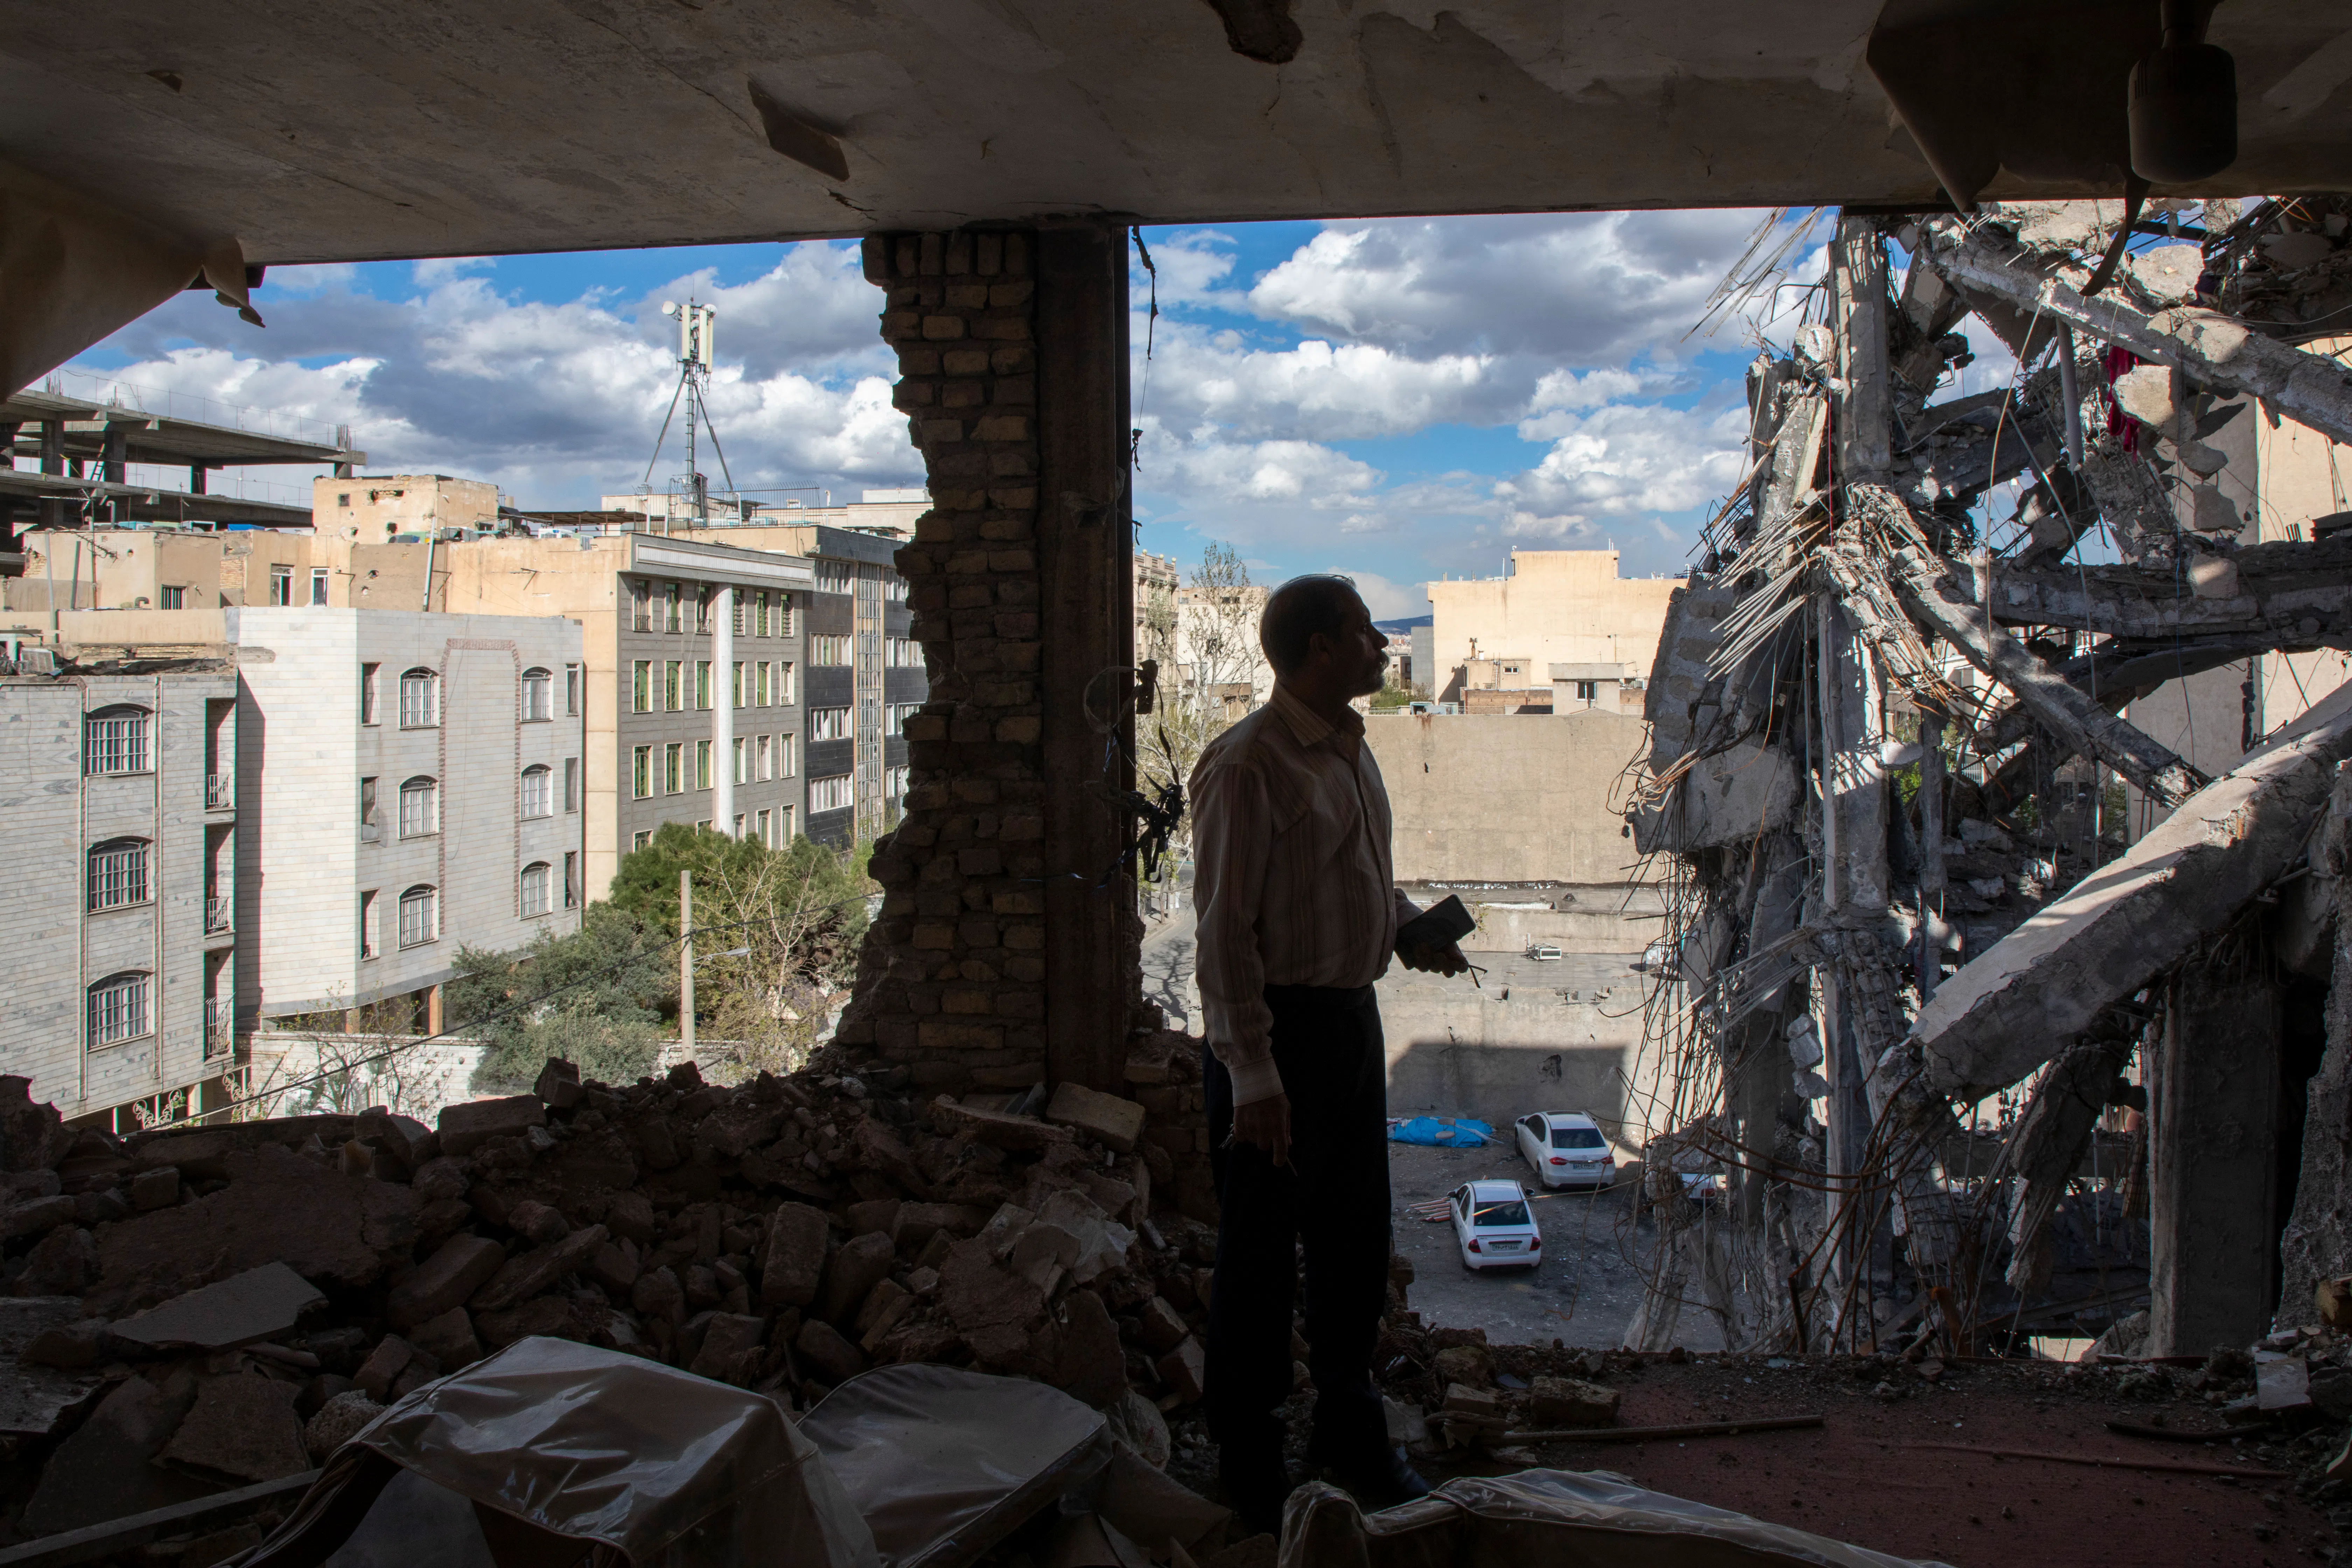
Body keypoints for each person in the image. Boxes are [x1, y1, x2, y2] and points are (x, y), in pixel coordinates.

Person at [1188, 575, 1468, 1530]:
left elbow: (1351, 884)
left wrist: (1404, 928)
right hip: (1281, 1040)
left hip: (1349, 1027)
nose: (1382, 645)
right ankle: (1252, 1460)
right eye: (1363, 633)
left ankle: (1349, 1434)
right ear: (1318, 650)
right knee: (1260, 1261)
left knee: (1354, 1244)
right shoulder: (1247, 767)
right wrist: (1253, 1076)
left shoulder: (1349, 749)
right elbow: (1226, 938)